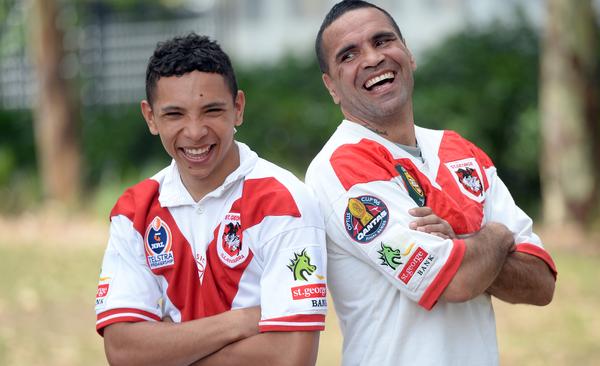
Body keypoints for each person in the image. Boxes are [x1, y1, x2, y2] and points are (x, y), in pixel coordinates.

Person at [305, 1, 557, 365]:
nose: (373, 59)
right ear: (331, 86)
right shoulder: (340, 166)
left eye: (383, 40)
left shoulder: (460, 151)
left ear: (408, 53)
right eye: (348, 55)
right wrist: (498, 237)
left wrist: (461, 241)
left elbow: (541, 283)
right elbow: (454, 282)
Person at [94, 33, 327, 366]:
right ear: (150, 118)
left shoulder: (284, 200)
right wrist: (241, 322)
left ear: (238, 108)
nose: (195, 131)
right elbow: (122, 351)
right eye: (174, 114)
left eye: (212, 110)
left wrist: (167, 348)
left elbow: (290, 357)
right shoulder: (135, 210)